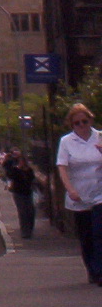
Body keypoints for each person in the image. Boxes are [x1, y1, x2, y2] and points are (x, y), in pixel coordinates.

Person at [55, 101, 102, 284]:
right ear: (72, 125)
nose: (82, 126)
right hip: (79, 195)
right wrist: (70, 189)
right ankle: (92, 269)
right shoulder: (66, 142)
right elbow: (62, 167)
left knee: (99, 232)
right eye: (77, 123)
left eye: (85, 121)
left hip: (99, 192)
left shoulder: (99, 137)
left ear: (91, 120)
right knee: (87, 236)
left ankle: (99, 271)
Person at [2, 148, 38, 240]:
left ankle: (30, 230)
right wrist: (7, 160)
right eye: (20, 161)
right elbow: (8, 173)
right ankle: (25, 232)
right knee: (23, 212)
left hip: (28, 193)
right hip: (18, 194)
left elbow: (33, 180)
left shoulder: (29, 170)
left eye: (23, 161)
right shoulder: (15, 170)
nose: (22, 163)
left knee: (30, 212)